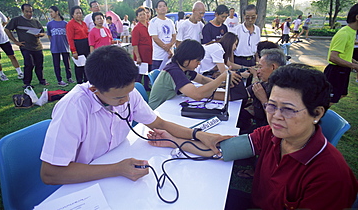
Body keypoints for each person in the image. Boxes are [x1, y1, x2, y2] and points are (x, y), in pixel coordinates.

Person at [148, 63, 358, 210]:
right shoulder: (270, 135)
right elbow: (220, 149)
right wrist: (172, 140)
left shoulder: (330, 176)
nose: (275, 116)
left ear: (317, 113)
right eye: (271, 105)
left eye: (288, 109)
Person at [40, 45, 230, 185]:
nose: (126, 101)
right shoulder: (73, 108)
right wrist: (117, 169)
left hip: (115, 168)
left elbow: (160, 124)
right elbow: (50, 173)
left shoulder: (128, 93)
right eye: (119, 97)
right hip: (85, 181)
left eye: (129, 93)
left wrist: (199, 134)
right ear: (94, 89)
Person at [148, 39, 241, 110]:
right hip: (158, 110)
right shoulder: (174, 71)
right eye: (198, 60)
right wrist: (221, 78)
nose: (199, 64)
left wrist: (223, 84)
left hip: (169, 106)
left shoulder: (184, 68)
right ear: (187, 59)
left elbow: (202, 80)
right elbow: (197, 95)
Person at [237, 48, 287, 134]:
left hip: (270, 133)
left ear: (273, 67)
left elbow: (276, 120)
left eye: (260, 67)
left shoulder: (285, 89)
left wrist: (263, 100)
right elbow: (239, 94)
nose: (258, 71)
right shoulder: (264, 84)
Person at [4, 3, 48, 88]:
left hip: (37, 46)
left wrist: (39, 34)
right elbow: (7, 29)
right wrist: (15, 41)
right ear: (22, 11)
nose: (29, 14)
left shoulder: (35, 21)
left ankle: (42, 80)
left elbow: (43, 32)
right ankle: (27, 83)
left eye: (31, 12)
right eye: (27, 11)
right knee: (29, 64)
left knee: (39, 65)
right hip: (26, 47)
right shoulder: (17, 20)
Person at [324, 3, 358, 105]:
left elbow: (344, 53)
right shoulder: (344, 33)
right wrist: (354, 66)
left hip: (343, 70)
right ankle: (314, 118)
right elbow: (333, 57)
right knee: (328, 100)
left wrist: (353, 61)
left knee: (342, 94)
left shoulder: (352, 32)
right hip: (336, 71)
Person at [0, 0, 23, 81]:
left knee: (12, 56)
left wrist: (1, 27)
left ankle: (20, 73)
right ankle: (2, 75)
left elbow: (5, 20)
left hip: (4, 39)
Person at [232, 4, 261, 86]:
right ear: (243, 16)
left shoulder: (257, 30)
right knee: (238, 85)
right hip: (238, 61)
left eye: (253, 17)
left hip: (251, 61)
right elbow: (230, 49)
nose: (250, 19)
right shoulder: (236, 30)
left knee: (250, 86)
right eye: (247, 17)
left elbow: (256, 47)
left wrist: (258, 61)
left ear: (257, 16)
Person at [47, 6, 74, 87]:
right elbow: (49, 36)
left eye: (52, 12)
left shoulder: (65, 24)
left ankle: (69, 77)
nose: (50, 14)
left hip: (65, 47)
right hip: (55, 48)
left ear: (57, 12)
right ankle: (59, 80)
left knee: (67, 63)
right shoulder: (50, 24)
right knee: (56, 64)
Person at [148, 0, 176, 70]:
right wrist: (168, 50)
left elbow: (174, 36)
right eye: (160, 6)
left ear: (167, 8)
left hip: (170, 56)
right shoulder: (153, 22)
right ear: (156, 9)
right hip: (158, 56)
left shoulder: (170, 21)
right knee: (157, 78)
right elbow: (155, 39)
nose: (162, 8)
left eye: (164, 6)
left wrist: (170, 44)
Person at [66, 6, 89, 84]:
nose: (79, 15)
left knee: (86, 63)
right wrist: (74, 50)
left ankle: (87, 80)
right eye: (77, 13)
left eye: (80, 13)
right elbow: (70, 38)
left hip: (86, 44)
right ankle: (79, 81)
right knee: (79, 65)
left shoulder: (84, 23)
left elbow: (87, 34)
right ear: (73, 14)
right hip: (78, 45)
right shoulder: (70, 24)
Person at [132, 7, 153, 91]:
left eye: (144, 14)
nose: (143, 16)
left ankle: (146, 86)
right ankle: (138, 88)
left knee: (148, 71)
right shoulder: (136, 29)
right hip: (141, 53)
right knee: (140, 73)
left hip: (150, 53)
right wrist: (138, 56)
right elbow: (135, 44)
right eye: (140, 15)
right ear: (137, 17)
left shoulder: (150, 25)